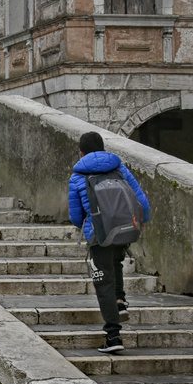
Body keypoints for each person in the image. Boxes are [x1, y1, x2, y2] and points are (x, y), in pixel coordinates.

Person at [68, 132, 151, 353]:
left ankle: (113, 336)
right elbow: (142, 201)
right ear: (104, 149)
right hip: (124, 229)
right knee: (117, 263)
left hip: (99, 235)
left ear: (81, 153)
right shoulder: (120, 169)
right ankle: (120, 300)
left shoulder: (77, 177)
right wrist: (141, 222)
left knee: (103, 280)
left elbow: (76, 217)